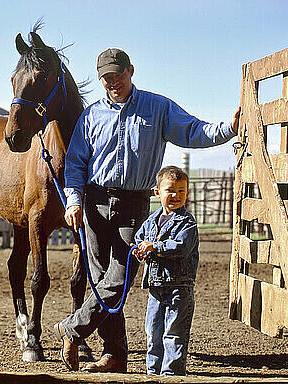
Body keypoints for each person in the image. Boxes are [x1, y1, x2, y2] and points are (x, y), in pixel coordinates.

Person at [53, 48, 240, 372]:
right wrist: (73, 200)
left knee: (121, 278)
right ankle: (115, 355)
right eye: (107, 78)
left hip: (134, 205)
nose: (114, 83)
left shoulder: (158, 108)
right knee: (101, 282)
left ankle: (72, 328)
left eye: (119, 75)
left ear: (131, 71)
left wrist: (228, 128)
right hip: (95, 203)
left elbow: (193, 130)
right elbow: (75, 163)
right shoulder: (91, 116)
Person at [133, 166, 197, 375]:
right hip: (155, 288)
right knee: (153, 331)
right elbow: (139, 238)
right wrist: (138, 249)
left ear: (187, 194)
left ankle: (171, 374)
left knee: (174, 333)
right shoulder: (151, 220)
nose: (176, 196)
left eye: (181, 191)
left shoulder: (187, 223)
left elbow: (181, 247)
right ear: (157, 192)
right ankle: (153, 371)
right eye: (170, 190)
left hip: (179, 287)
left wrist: (154, 247)